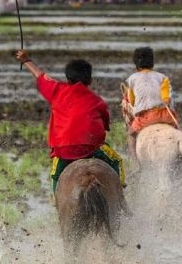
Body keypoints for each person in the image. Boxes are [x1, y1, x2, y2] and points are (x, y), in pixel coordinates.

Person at [14, 49, 124, 192]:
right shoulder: (98, 101)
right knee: (117, 161)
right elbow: (105, 124)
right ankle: (121, 194)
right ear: (89, 80)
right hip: (90, 148)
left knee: (55, 176)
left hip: (63, 150)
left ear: (68, 79)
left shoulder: (57, 90)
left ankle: (58, 205)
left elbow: (40, 76)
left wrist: (26, 60)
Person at [121, 47, 179, 163]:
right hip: (165, 115)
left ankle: (136, 164)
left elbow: (132, 101)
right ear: (152, 63)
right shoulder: (163, 77)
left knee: (131, 135)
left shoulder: (132, 79)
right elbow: (167, 97)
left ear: (136, 64)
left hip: (146, 118)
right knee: (179, 129)